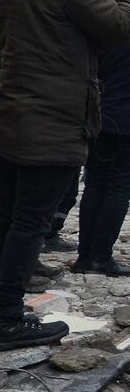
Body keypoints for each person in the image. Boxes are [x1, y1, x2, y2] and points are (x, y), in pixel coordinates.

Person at [0, 0, 130, 349]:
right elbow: (120, 26)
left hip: (17, 107)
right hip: (57, 112)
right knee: (31, 220)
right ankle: (6, 318)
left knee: (2, 212)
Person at [76, 44, 130, 276]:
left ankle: (85, 256)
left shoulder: (106, 28)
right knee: (119, 186)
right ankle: (100, 257)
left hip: (99, 115)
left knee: (94, 184)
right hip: (126, 121)